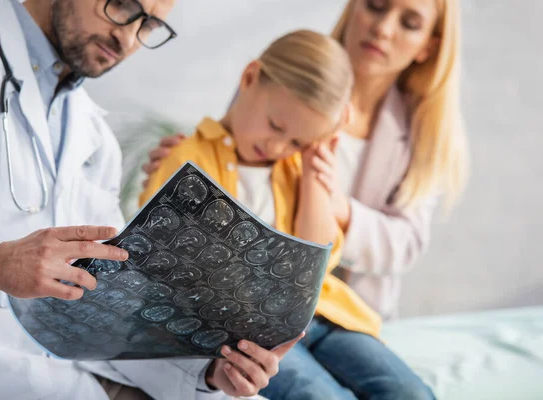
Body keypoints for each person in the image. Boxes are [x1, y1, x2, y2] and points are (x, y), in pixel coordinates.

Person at [0, 0, 297, 399]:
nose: (127, 36)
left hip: (71, 374)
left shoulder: (94, 136)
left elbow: (104, 309)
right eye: (122, 5)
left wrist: (209, 370)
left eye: (149, 25)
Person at [140, 29, 434, 400]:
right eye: (276, 126)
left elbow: (317, 258)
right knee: (319, 396)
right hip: (250, 335)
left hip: (323, 316)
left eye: (298, 140)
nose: (279, 146)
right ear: (249, 79)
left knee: (410, 393)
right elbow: (159, 262)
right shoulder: (186, 160)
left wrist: (314, 174)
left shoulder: (293, 166)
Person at [143, 0, 468, 322]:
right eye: (375, 5)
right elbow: (231, 158)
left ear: (429, 46)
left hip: (348, 306)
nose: (382, 29)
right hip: (262, 305)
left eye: (409, 24)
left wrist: (337, 206)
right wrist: (182, 167)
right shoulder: (292, 74)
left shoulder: (426, 131)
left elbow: (406, 244)